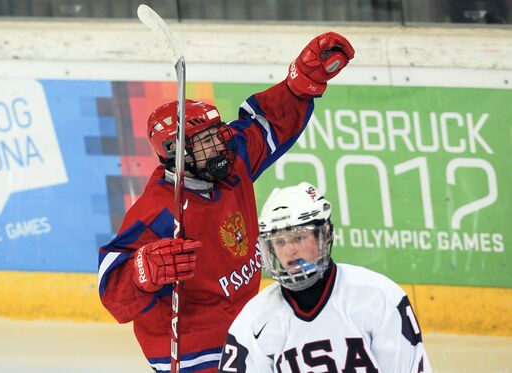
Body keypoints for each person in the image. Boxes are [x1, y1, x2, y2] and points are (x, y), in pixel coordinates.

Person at [97, 33, 355, 373]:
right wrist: (143, 271)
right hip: (192, 348)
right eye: (205, 141)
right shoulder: (158, 212)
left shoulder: (230, 158)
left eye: (216, 134)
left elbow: (267, 125)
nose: (219, 145)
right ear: (178, 155)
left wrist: (300, 84)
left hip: (247, 327)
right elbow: (114, 291)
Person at [218, 182, 432, 373]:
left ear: (325, 234)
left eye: (299, 237)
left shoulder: (378, 297)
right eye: (280, 242)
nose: (290, 250)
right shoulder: (254, 321)